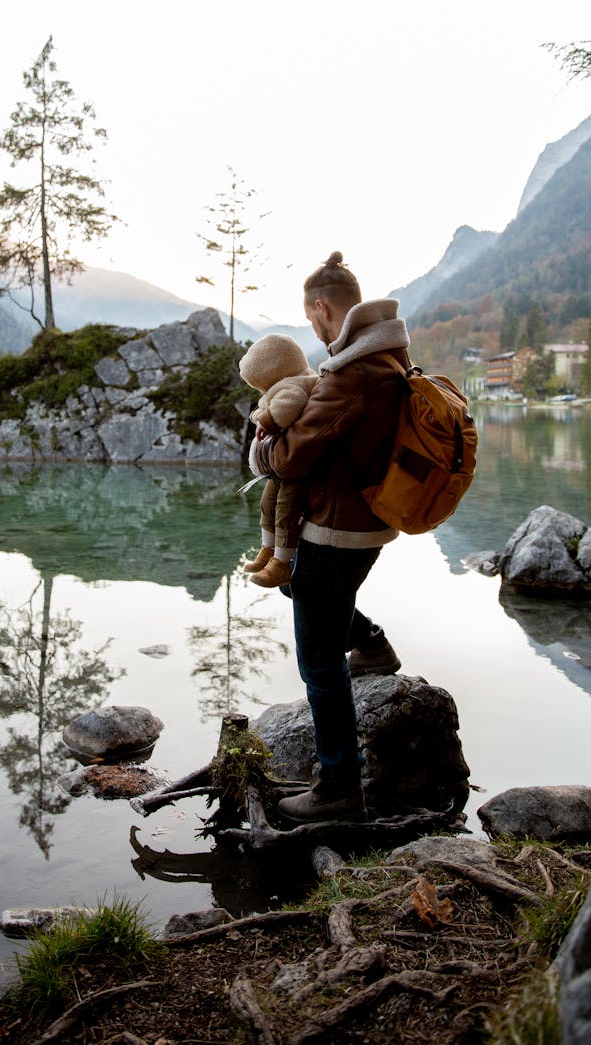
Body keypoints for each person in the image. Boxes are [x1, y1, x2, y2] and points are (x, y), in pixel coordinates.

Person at [255, 250, 410, 822]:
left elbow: (292, 459)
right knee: (301, 588)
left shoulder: (351, 374)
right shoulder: (388, 358)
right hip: (366, 523)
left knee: (319, 663)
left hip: (336, 529)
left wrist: (263, 445)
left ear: (322, 309)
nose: (315, 331)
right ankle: (372, 643)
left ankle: (339, 786)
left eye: (312, 318)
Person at [238, 333, 318, 588]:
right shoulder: (288, 382)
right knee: (267, 503)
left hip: (294, 468)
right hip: (280, 468)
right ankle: (268, 549)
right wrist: (261, 415)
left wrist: (264, 420)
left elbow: (286, 409)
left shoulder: (292, 386)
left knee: (285, 509)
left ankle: (281, 563)